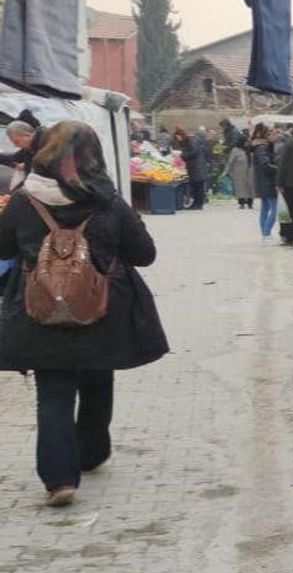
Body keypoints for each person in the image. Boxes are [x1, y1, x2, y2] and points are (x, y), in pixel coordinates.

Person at [0, 121, 169, 507]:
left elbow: (2, 246)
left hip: (38, 311)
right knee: (97, 377)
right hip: (101, 309)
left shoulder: (26, 199)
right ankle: (91, 452)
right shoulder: (107, 200)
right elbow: (145, 254)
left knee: (53, 392)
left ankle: (60, 479)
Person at [249, 123, 278, 241]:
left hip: (262, 180)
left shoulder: (260, 146)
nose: (274, 135)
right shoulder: (262, 147)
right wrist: (279, 169)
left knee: (265, 207)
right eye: (270, 133)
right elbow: (265, 165)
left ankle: (265, 233)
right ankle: (266, 232)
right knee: (274, 208)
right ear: (265, 134)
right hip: (268, 181)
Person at [173, 126, 209, 209]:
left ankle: (198, 204)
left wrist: (182, 155)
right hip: (195, 166)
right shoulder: (189, 140)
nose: (178, 140)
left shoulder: (190, 140)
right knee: (196, 186)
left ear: (180, 135)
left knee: (198, 186)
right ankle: (197, 204)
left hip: (196, 167)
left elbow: (193, 151)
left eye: (177, 137)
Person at [221, 135, 254, 209]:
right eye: (246, 141)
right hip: (239, 171)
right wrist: (225, 172)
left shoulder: (250, 149)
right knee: (240, 187)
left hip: (250, 170)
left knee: (250, 186)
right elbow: (230, 162)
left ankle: (250, 203)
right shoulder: (235, 150)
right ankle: (241, 203)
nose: (247, 143)